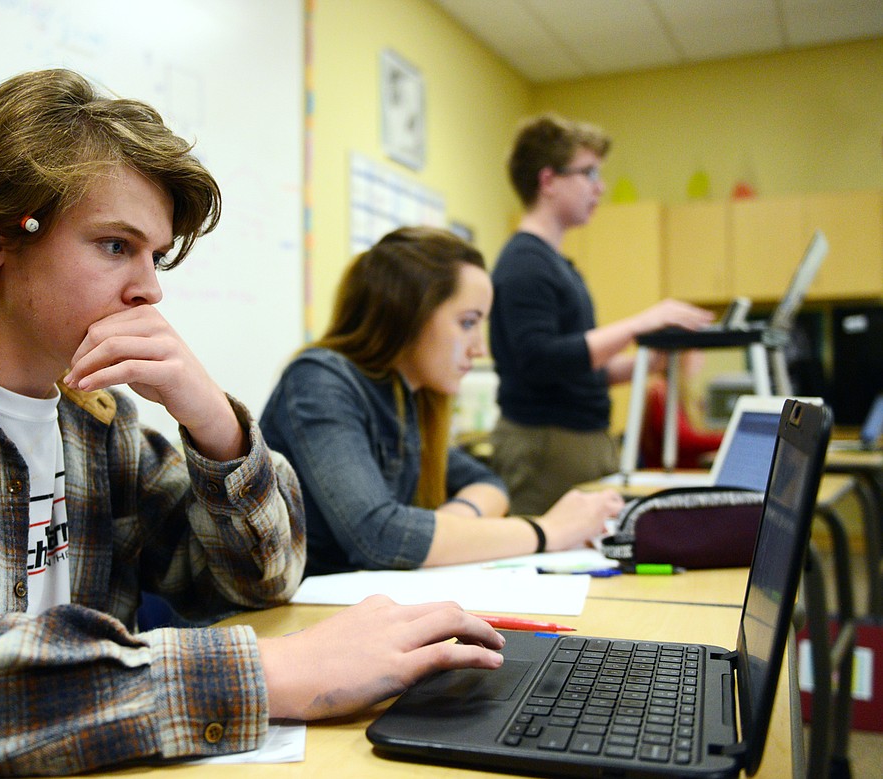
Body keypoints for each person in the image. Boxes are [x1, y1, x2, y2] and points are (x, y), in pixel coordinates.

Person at [0, 69, 507, 776]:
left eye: (155, 257)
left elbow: (259, 577)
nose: (149, 290)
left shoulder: (99, 421)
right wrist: (267, 676)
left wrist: (214, 424)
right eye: (114, 245)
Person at [260, 227, 622, 577]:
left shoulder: (406, 396)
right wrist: (548, 530)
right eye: (467, 323)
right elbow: (380, 536)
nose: (479, 348)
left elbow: (489, 482)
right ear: (408, 313)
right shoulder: (319, 381)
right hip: (301, 614)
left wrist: (452, 522)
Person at [488, 114, 714, 515]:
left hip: (575, 442)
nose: (600, 186)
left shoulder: (553, 264)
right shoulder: (525, 263)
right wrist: (638, 325)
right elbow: (541, 361)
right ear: (548, 181)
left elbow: (576, 369)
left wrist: (653, 363)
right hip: (548, 447)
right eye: (588, 172)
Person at [639, 350, 725, 469]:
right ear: (680, 357)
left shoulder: (676, 392)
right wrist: (727, 439)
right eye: (696, 352)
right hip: (667, 472)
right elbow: (684, 441)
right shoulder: (660, 391)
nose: (701, 359)